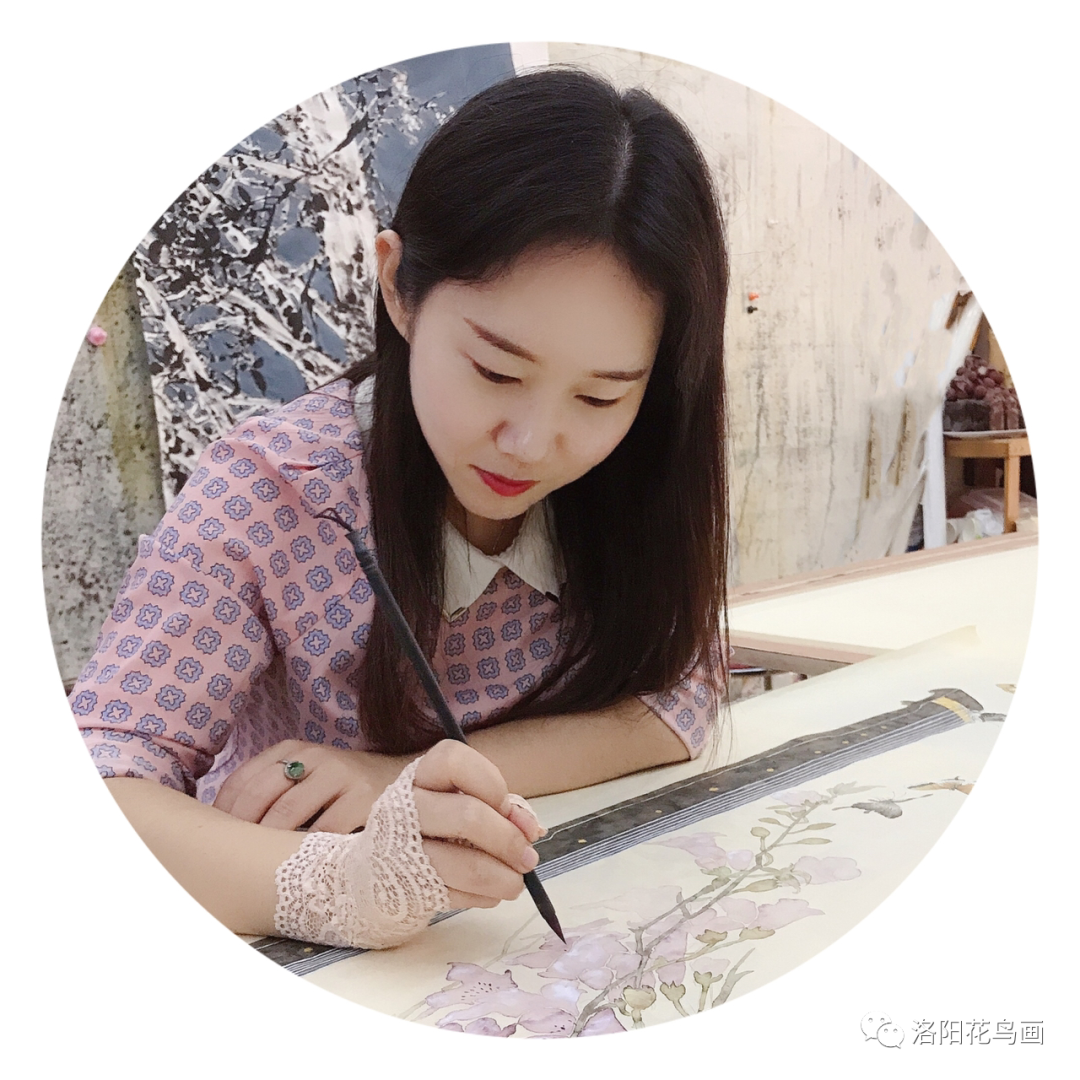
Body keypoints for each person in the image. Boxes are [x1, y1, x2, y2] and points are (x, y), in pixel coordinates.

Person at [72, 68, 730, 948]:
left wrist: (392, 776)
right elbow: (95, 789)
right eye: (496, 371)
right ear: (397, 286)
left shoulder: (637, 471)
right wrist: (339, 885)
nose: (532, 444)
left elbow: (683, 696)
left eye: (600, 396)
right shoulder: (271, 491)